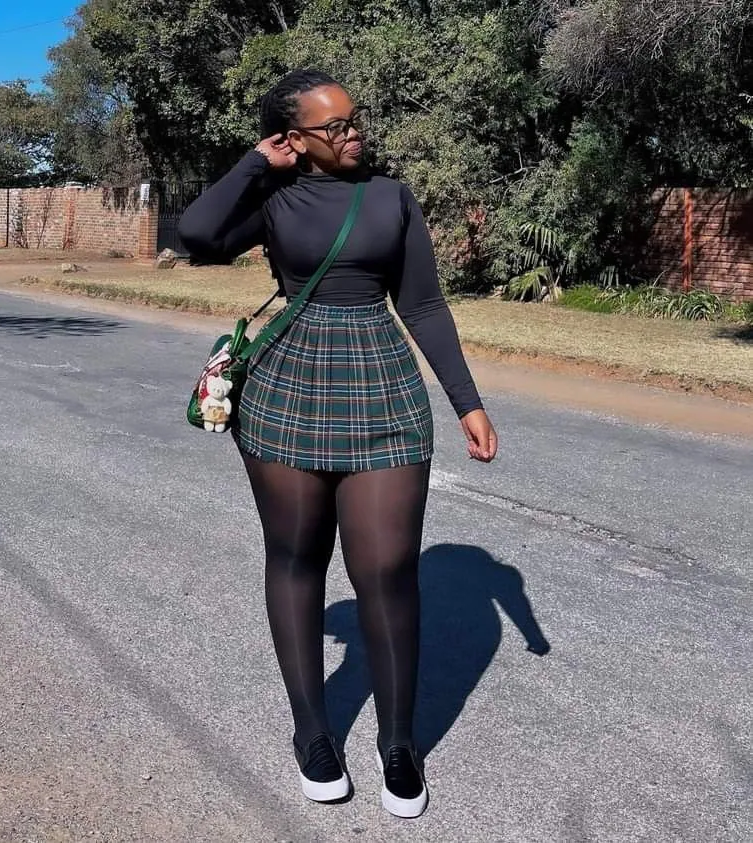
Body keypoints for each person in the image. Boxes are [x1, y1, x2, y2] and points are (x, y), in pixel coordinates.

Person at [178, 68, 498, 819]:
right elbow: (195, 237)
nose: (355, 133)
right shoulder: (274, 197)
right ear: (295, 138)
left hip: (382, 384)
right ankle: (313, 732)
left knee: (387, 571)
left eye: (355, 120)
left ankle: (398, 743)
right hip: (285, 388)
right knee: (295, 559)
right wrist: (256, 164)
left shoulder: (389, 196)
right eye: (336, 126)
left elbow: (423, 303)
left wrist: (467, 402)